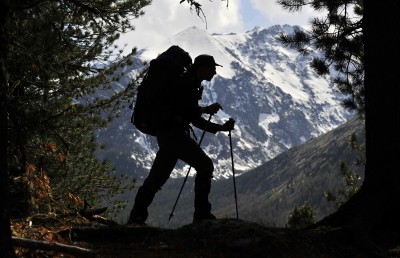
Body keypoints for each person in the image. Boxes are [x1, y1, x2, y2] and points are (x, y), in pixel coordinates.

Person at [128, 54, 235, 224]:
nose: (214, 72)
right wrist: (206, 109)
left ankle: (136, 217)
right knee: (205, 166)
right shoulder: (186, 82)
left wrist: (219, 128)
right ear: (201, 68)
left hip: (168, 134)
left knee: (156, 179)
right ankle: (201, 215)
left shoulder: (188, 82)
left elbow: (190, 116)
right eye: (212, 68)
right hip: (173, 134)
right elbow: (188, 112)